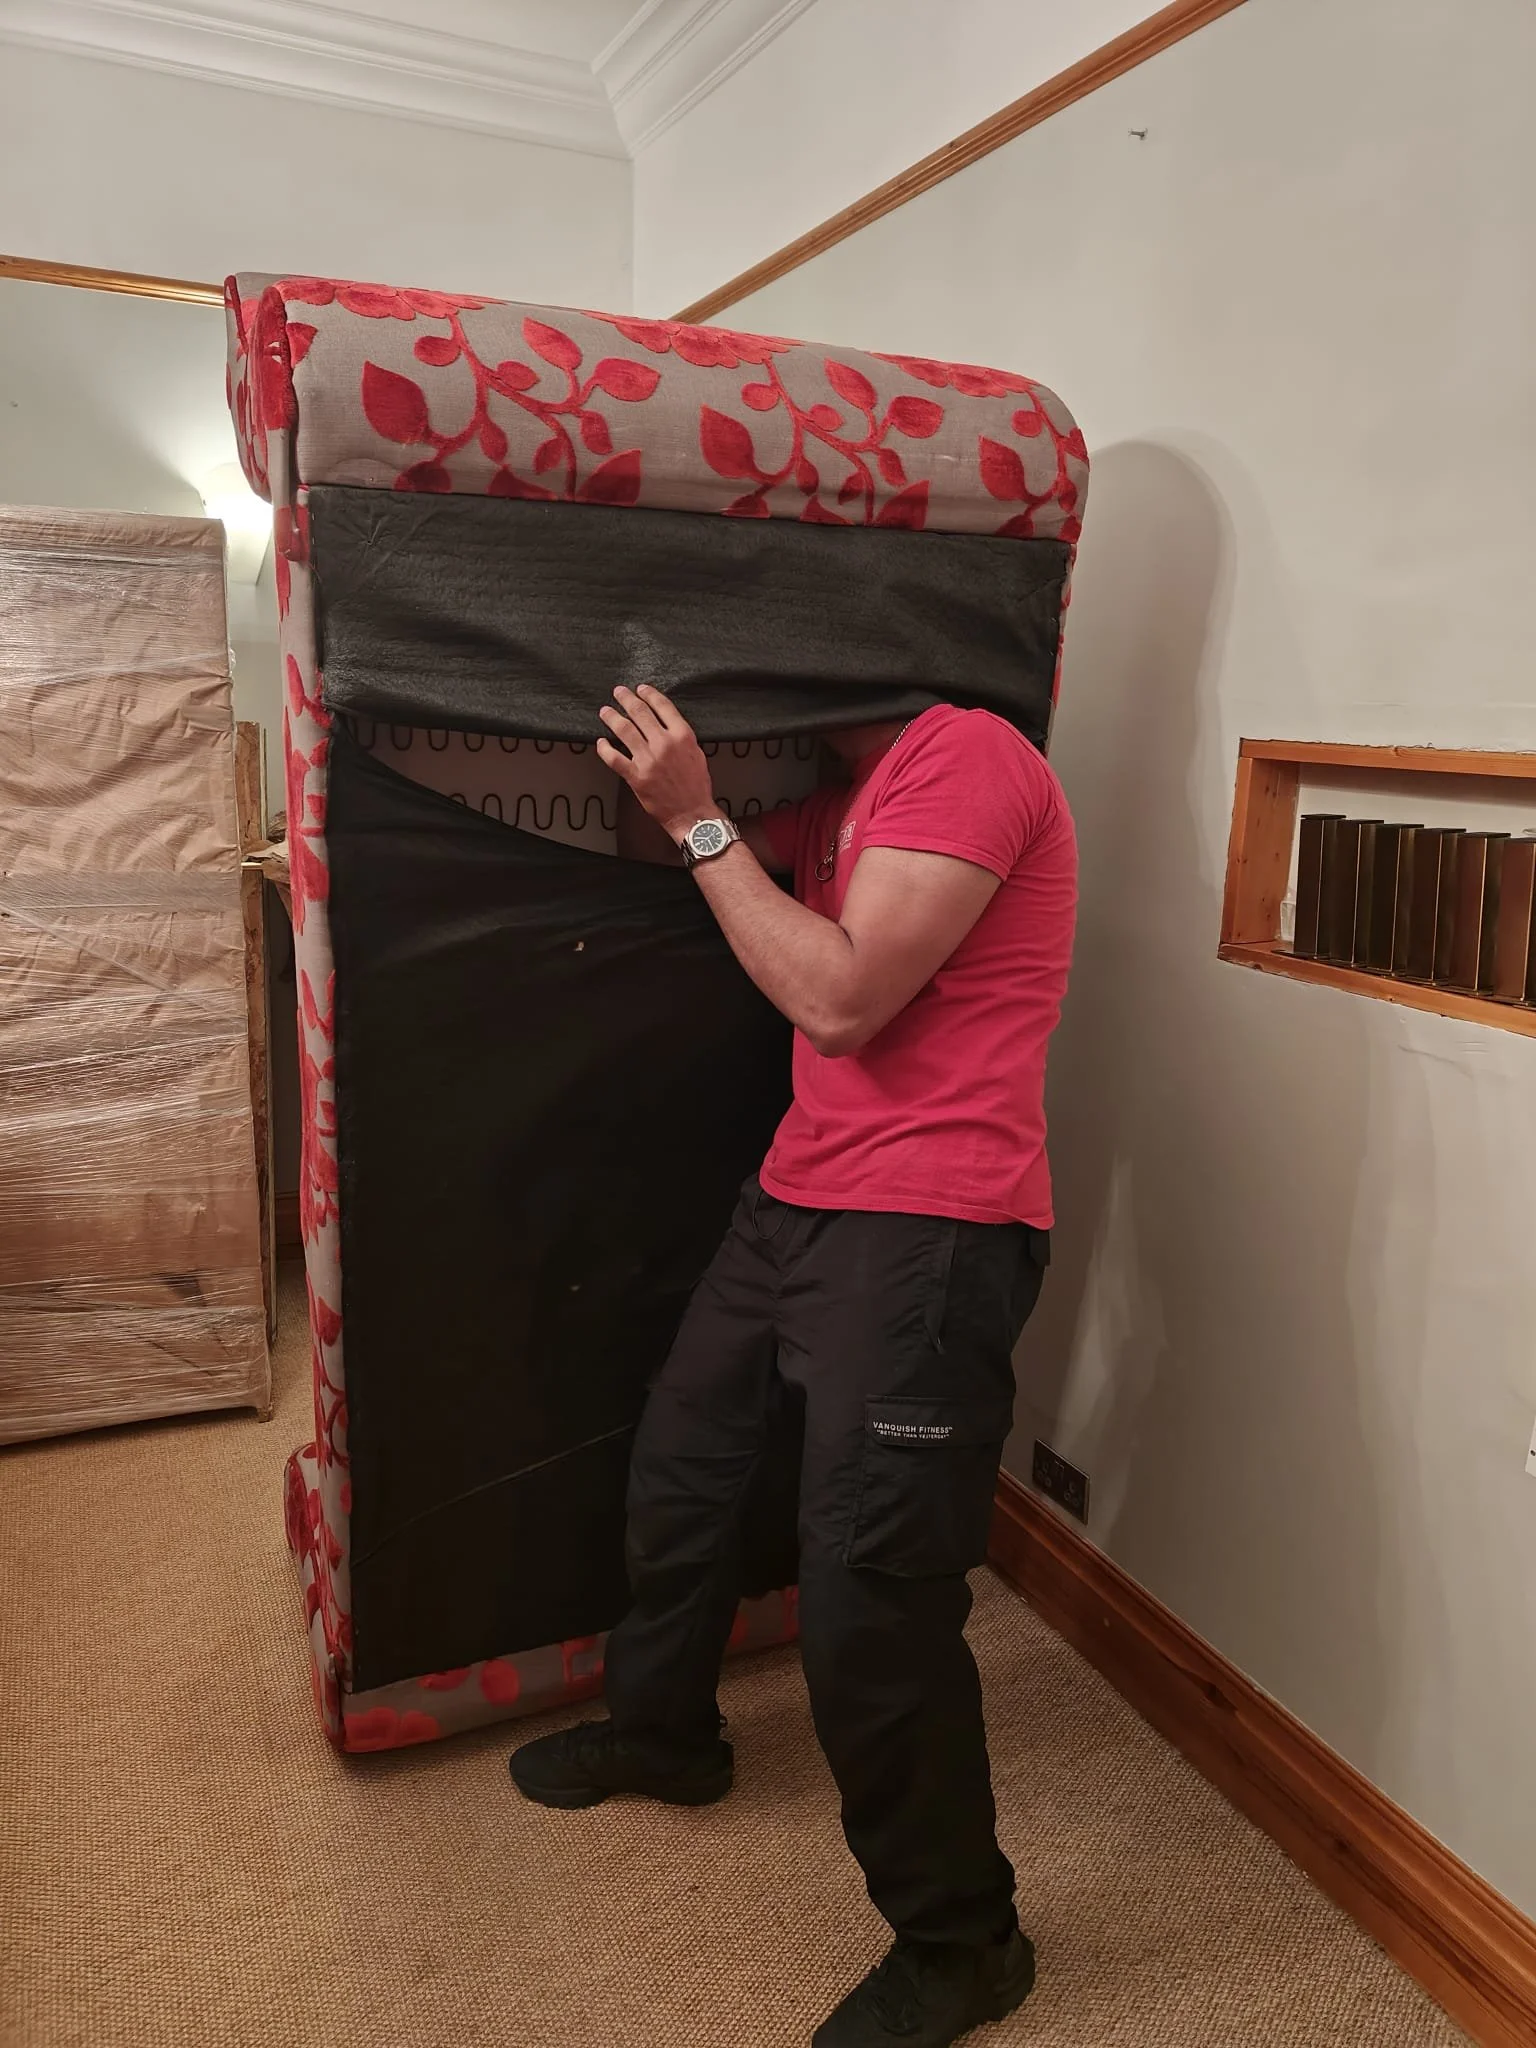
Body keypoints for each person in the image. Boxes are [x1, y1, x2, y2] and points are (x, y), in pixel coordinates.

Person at [510, 683, 1078, 2048]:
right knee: (684, 1464)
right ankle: (665, 1735)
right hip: (800, 1197)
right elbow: (687, 855)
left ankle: (965, 1942)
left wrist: (699, 816)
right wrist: (669, 799)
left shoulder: (967, 755)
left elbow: (840, 1003)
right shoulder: (840, 795)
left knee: (872, 1604)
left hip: (931, 1230)